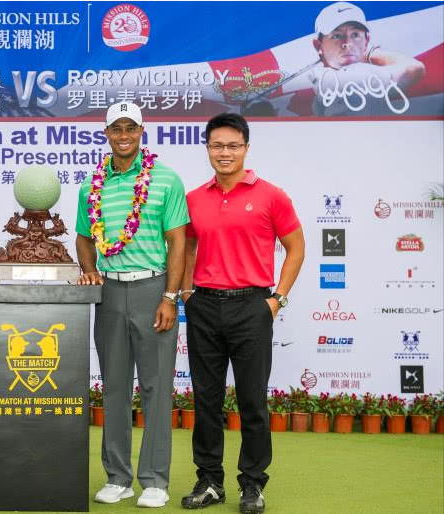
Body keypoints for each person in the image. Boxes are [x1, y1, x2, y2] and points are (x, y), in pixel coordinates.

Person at [178, 113, 304, 514]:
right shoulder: (194, 198)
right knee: (206, 401)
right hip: (203, 306)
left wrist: (277, 299)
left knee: (252, 402)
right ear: (207, 148)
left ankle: (252, 483)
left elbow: (296, 248)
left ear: (246, 148)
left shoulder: (271, 196)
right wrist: (185, 292)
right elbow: (187, 247)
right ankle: (209, 481)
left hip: (252, 306)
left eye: (233, 145)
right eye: (217, 145)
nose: (225, 153)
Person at [75, 101, 189, 508]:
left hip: (153, 288)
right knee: (114, 387)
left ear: (142, 131)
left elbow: (178, 242)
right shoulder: (92, 185)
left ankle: (155, 480)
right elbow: (84, 237)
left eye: (131, 128)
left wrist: (170, 297)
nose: (124, 135)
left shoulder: (165, 179)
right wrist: (90, 270)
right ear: (106, 133)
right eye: (116, 129)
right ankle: (118, 477)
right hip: (109, 293)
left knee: (156, 388)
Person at [308, 1, 425, 116]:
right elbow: (414, 68)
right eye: (337, 36)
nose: (347, 43)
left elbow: (415, 68)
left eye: (355, 35)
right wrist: (370, 52)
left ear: (366, 40)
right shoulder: (359, 74)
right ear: (318, 45)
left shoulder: (318, 76)